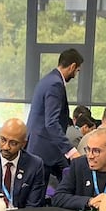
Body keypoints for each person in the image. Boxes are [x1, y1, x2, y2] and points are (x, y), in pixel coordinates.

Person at [26, 48, 83, 180]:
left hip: (45, 146)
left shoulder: (48, 79)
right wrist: (71, 151)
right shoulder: (55, 84)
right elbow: (51, 122)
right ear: (72, 66)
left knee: (68, 180)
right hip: (43, 149)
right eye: (77, 71)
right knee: (38, 194)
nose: (75, 75)